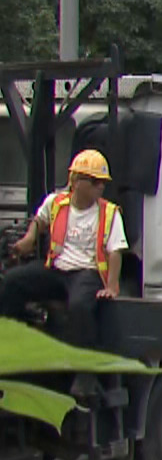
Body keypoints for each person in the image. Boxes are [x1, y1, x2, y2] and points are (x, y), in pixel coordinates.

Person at [2, 150, 125, 349]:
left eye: (103, 182)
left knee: (79, 307)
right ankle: (12, 341)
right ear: (76, 181)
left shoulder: (109, 213)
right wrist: (29, 238)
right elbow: (39, 220)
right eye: (95, 181)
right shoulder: (56, 202)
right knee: (12, 282)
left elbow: (115, 252)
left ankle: (84, 368)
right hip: (57, 270)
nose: (100, 186)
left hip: (87, 273)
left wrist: (111, 287)